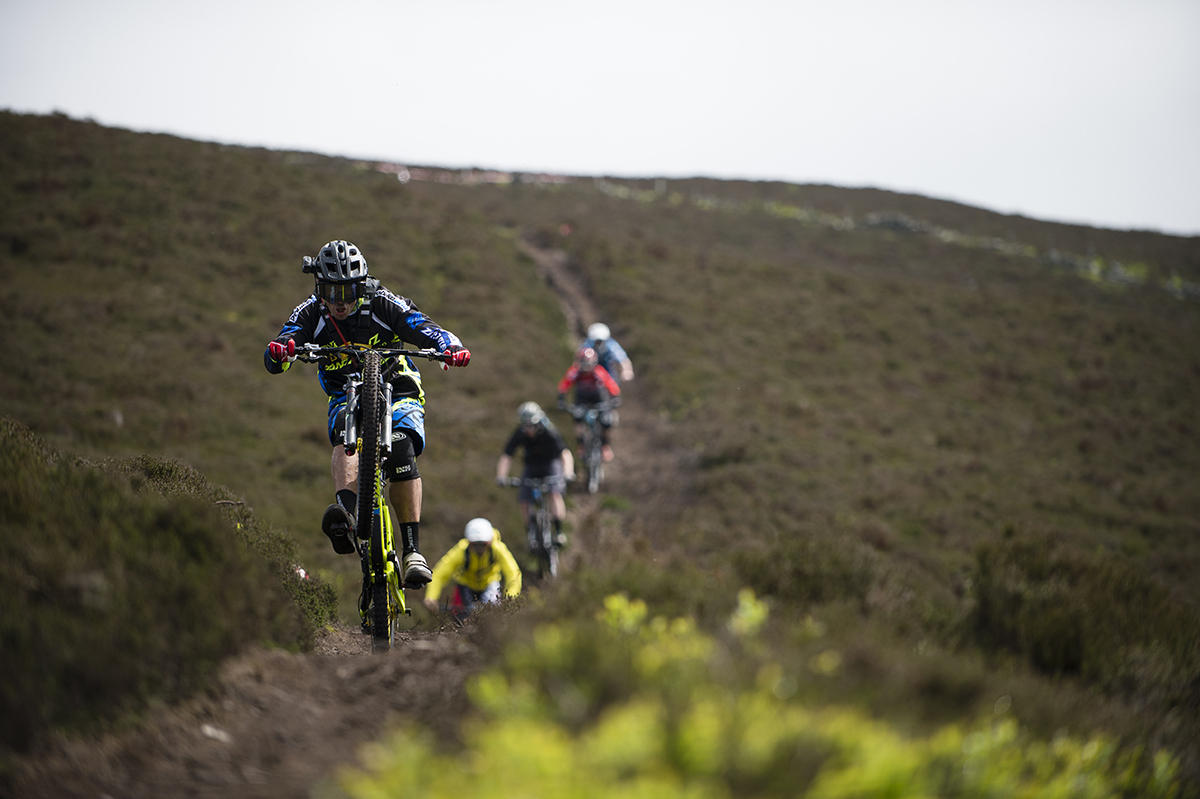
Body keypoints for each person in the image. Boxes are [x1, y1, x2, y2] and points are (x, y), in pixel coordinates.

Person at [263, 239, 470, 586]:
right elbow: (283, 345)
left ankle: (413, 552)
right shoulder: (310, 311)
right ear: (318, 286)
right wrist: (281, 352)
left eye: (348, 290)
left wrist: (449, 346)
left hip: (398, 387)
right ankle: (345, 515)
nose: (339, 301)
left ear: (362, 285)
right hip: (344, 395)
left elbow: (423, 327)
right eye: (330, 291)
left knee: (401, 448)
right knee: (345, 440)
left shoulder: (383, 302)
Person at [495, 402, 574, 549]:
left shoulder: (549, 432)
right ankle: (531, 533)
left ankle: (558, 531)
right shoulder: (520, 433)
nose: (528, 429)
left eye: (531, 426)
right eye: (525, 426)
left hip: (550, 464)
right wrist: (501, 476)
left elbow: (565, 453)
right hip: (531, 466)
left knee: (554, 494)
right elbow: (507, 455)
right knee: (524, 499)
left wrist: (568, 472)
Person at [422, 518, 522, 620]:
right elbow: (439, 574)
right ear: (469, 543)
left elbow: (513, 574)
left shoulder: (498, 549)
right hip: (465, 586)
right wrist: (431, 597)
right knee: (461, 618)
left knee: (492, 618)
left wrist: (510, 599)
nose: (479, 550)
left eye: (483, 545)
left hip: (490, 585)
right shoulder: (461, 550)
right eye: (475, 546)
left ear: (489, 542)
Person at [557, 346, 621, 462]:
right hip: (581, 399)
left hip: (598, 398)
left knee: (606, 420)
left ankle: (605, 446)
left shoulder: (599, 371)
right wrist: (561, 399)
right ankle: (581, 446)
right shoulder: (575, 372)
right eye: (584, 364)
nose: (586, 368)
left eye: (589, 364)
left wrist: (615, 398)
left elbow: (610, 384)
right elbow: (564, 385)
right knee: (577, 418)